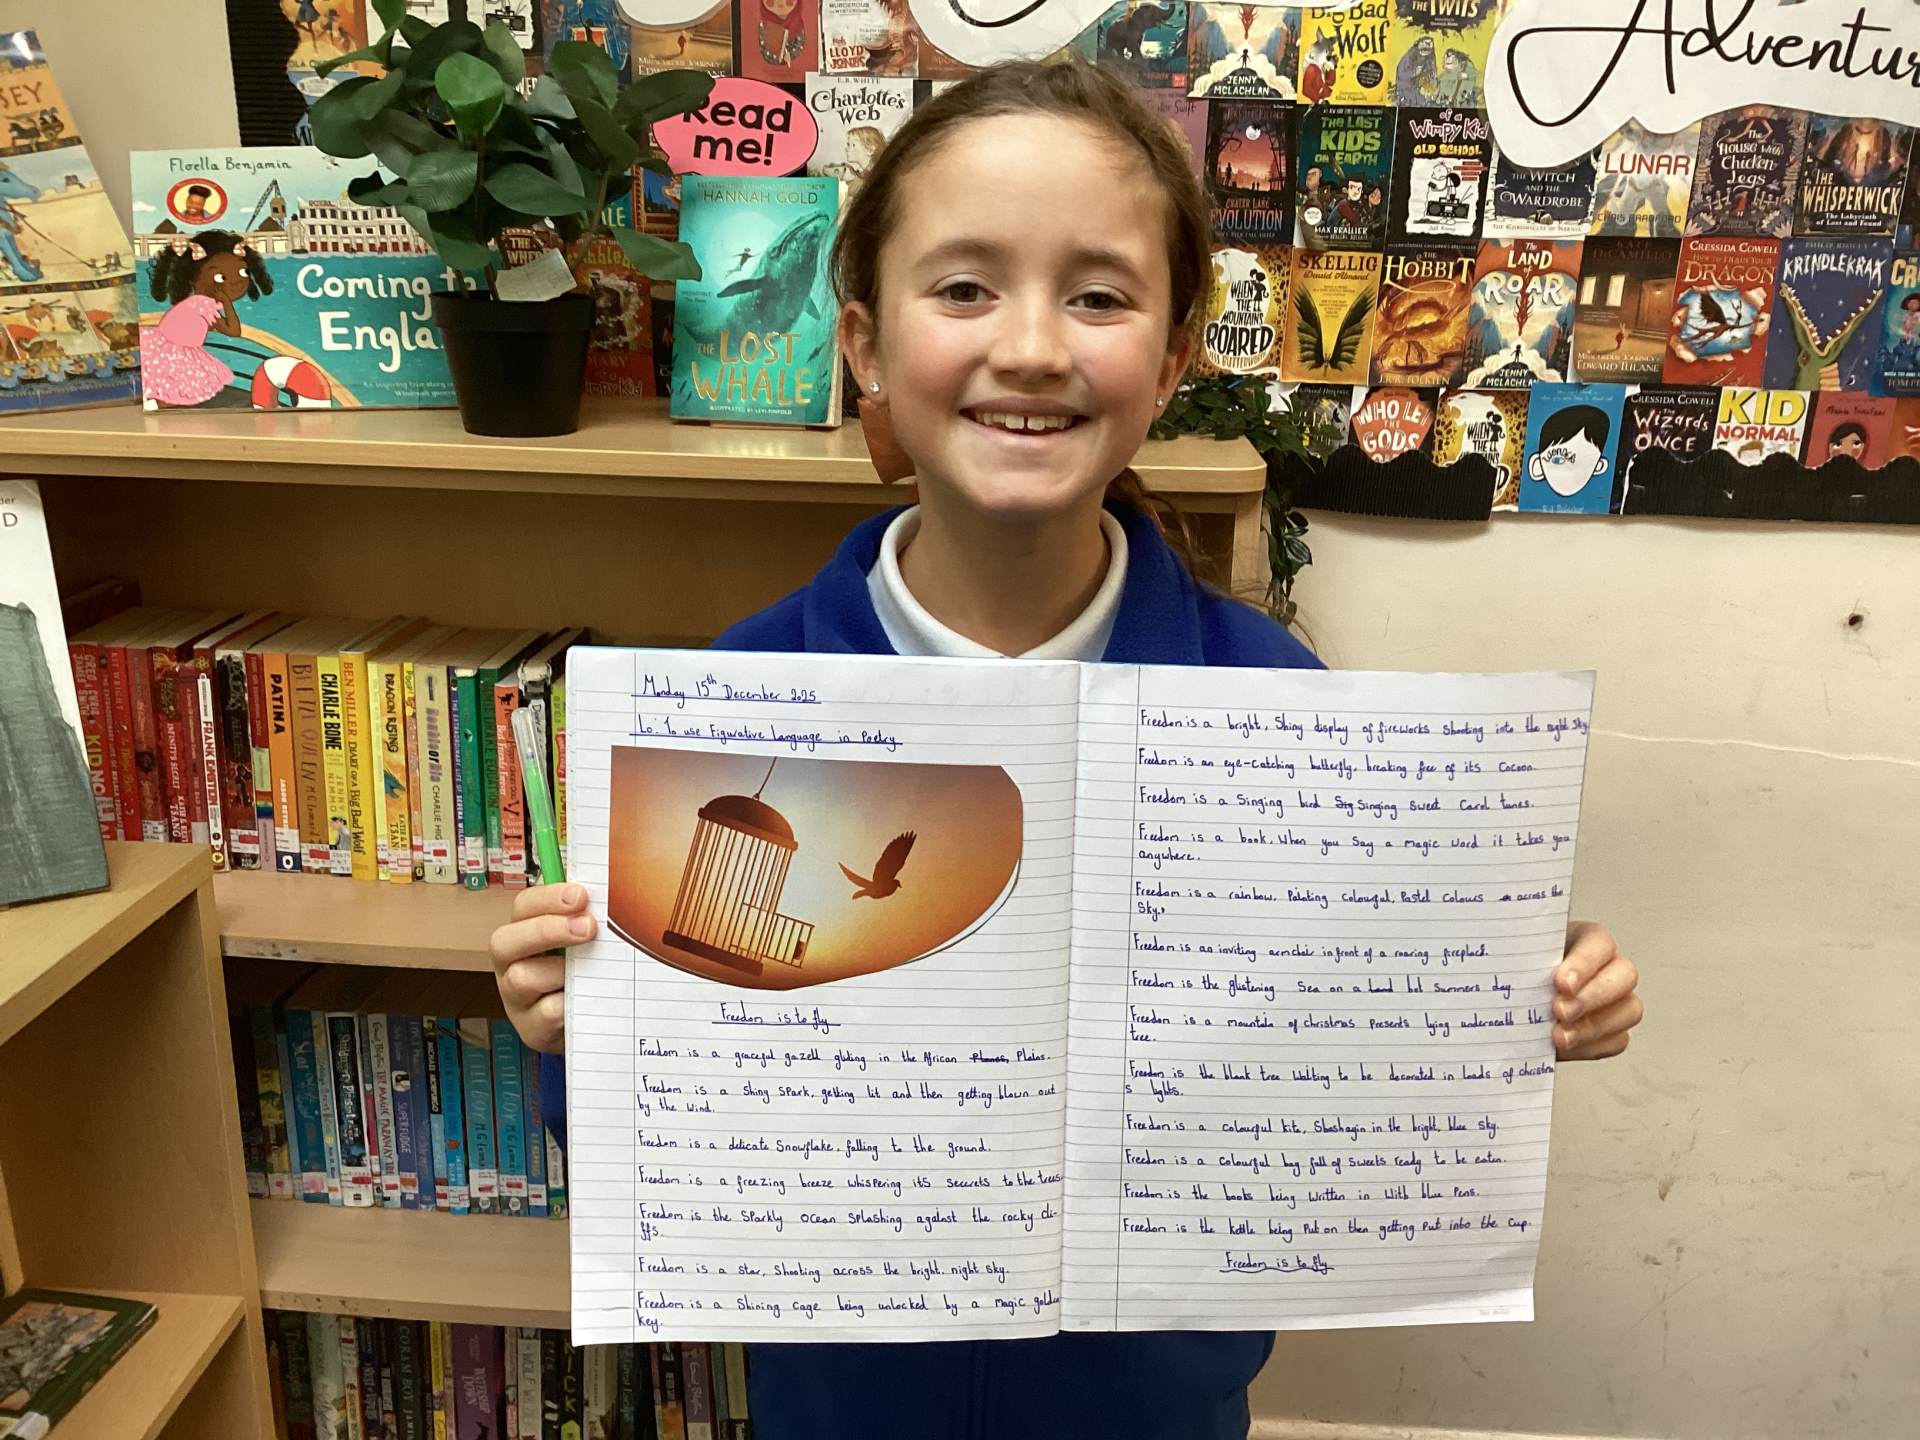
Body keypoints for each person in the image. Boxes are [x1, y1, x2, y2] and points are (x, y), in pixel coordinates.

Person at [488, 58, 1644, 1440]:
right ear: (863, 344)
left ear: (1171, 361)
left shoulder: (1274, 706)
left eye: (1098, 296)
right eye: (964, 288)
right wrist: (568, 1026)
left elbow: (1343, 1033)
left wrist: (1520, 994)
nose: (1033, 346)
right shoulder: (736, 708)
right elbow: (655, 1143)